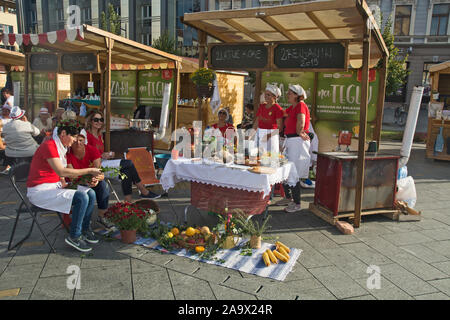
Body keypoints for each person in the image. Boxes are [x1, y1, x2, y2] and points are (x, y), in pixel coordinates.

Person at [26, 119, 102, 252]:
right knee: (81, 197)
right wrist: (89, 171)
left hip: (54, 186)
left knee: (90, 192)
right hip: (40, 191)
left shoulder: (62, 146)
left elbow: (64, 172)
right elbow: (61, 170)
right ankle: (74, 236)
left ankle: (84, 229)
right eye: (72, 136)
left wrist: (88, 179)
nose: (74, 140)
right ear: (63, 134)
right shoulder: (49, 146)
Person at [84, 111, 161, 203]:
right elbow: (85, 153)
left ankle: (127, 203)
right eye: (96, 120)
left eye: (101, 120)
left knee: (127, 172)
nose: (99, 122)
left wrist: (107, 154)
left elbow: (98, 152)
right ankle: (143, 190)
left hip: (103, 162)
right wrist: (101, 155)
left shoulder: (99, 135)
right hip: (95, 166)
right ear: (90, 121)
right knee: (128, 163)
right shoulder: (86, 135)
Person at [66, 131, 110, 229]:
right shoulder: (68, 154)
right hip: (75, 182)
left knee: (103, 185)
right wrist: (87, 179)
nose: (78, 143)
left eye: (81, 140)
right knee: (87, 192)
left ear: (85, 140)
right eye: (75, 140)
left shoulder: (92, 150)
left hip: (90, 179)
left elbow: (99, 170)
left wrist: (97, 179)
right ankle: (84, 221)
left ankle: (102, 216)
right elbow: (72, 175)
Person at [279, 84, 311, 213]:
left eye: (290, 93)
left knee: (294, 172)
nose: (288, 95)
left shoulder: (301, 105)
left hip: (297, 141)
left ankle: (297, 203)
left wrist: (300, 131)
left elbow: (301, 122)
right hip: (291, 141)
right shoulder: (292, 107)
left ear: (297, 95)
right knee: (287, 170)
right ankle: (290, 199)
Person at [252, 84, 284, 155]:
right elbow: (256, 122)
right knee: (261, 156)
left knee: (271, 157)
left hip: (272, 136)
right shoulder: (262, 106)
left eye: (268, 95)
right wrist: (251, 134)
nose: (266, 96)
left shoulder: (277, 108)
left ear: (275, 97)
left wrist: (268, 136)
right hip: (260, 134)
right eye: (265, 94)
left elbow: (280, 128)